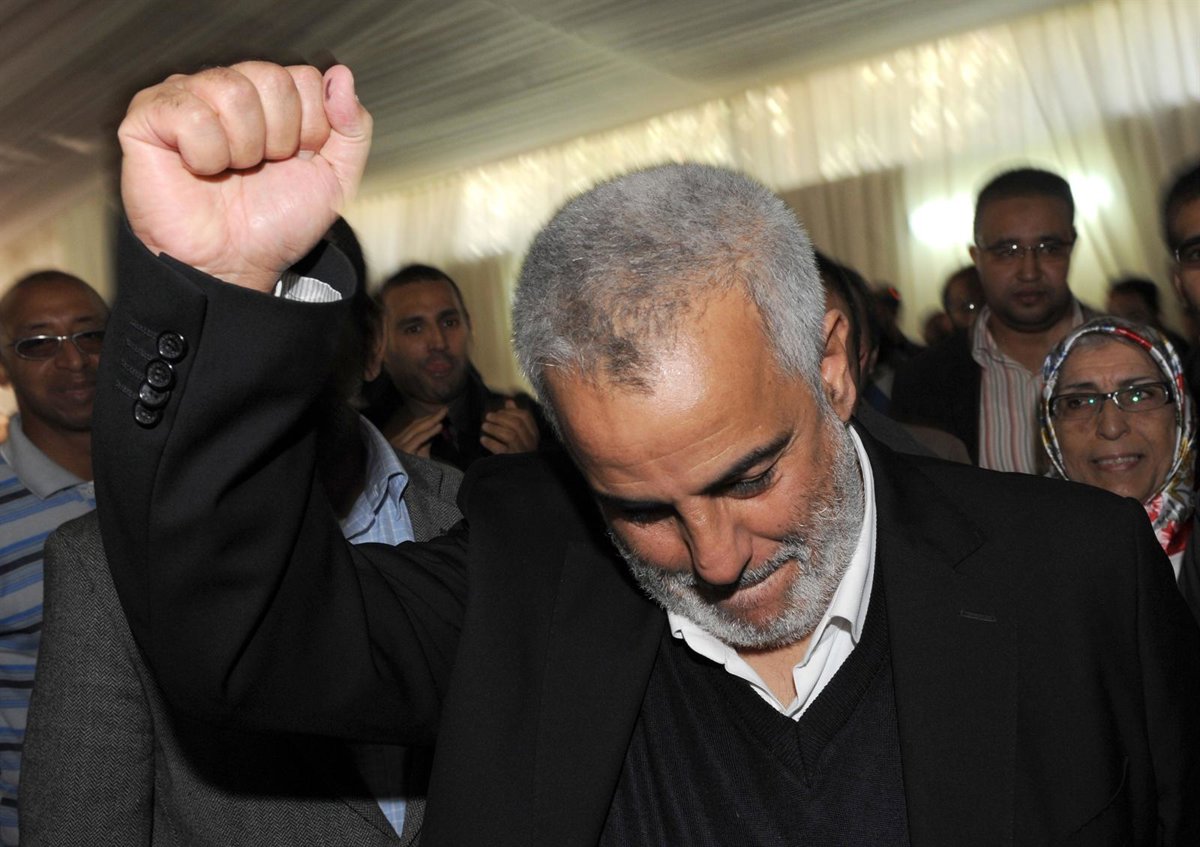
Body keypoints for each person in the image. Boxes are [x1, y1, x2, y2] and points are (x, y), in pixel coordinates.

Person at [96, 63, 1198, 845]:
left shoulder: (1075, 570)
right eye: (640, 508)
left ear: (832, 364)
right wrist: (220, 293)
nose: (714, 557)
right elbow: (235, 638)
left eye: (749, 475)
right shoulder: (524, 573)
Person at [21, 222, 462, 846]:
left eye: (293, 302)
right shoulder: (103, 568)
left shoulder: (472, 514)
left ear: (369, 344)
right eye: (230, 319)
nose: (261, 345)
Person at [892, 168, 1096, 471]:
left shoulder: (1135, 355)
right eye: (1007, 251)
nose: (1029, 271)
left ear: (1072, 247)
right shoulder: (923, 380)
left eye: (1049, 248)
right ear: (977, 258)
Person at [0, 269, 107, 845]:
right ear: (3, 366)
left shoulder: (173, 478)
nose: (74, 360)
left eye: (91, 335)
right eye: (38, 343)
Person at [1039, 317, 1200, 624]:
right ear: (1051, 429)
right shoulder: (1020, 563)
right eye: (1079, 402)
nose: (1111, 426)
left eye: (1139, 394)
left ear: (1181, 413)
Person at [363, 263, 549, 470]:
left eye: (449, 323)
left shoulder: (526, 420)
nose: (438, 342)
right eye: (414, 329)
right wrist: (384, 477)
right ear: (379, 346)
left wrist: (532, 469)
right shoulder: (361, 441)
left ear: (470, 327)